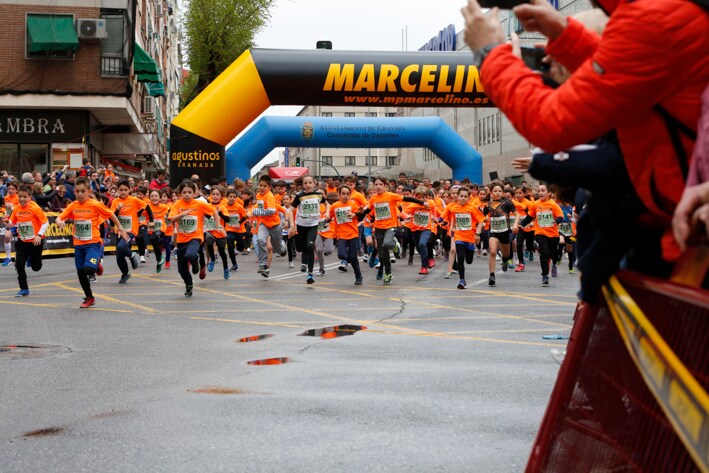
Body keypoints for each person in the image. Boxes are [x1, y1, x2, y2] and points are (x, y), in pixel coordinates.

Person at [461, 0, 709, 268]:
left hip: (679, 232)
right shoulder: (661, 12)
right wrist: (566, 35)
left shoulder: (654, 17)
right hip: (673, 216)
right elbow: (623, 76)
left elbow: (550, 123)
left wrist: (491, 54)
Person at [56, 177, 129, 308]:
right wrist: (59, 222)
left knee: (89, 269)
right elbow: (60, 217)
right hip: (78, 244)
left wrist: (121, 228)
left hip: (93, 243)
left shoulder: (95, 204)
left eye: (82, 191)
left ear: (89, 191)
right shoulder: (73, 205)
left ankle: (96, 266)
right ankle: (89, 297)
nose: (79, 194)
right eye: (77, 191)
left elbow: (111, 215)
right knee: (81, 273)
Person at [360, 177, 427, 285]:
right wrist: (355, 215)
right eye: (376, 184)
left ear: (385, 186)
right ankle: (388, 273)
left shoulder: (391, 196)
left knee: (387, 243)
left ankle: (395, 244)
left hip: (391, 226)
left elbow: (407, 199)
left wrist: (422, 203)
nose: (378, 186)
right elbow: (366, 211)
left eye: (380, 184)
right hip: (378, 228)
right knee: (382, 254)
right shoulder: (373, 199)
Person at [170, 180, 215, 296]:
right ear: (180, 194)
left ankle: (196, 264)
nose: (187, 194)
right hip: (181, 239)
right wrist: (182, 215)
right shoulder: (177, 204)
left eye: (189, 192)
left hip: (196, 236)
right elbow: (172, 219)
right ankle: (189, 284)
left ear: (194, 193)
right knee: (181, 269)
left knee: (191, 254)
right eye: (184, 192)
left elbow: (213, 211)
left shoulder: (199, 204)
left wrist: (219, 224)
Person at [5, 184, 49, 297]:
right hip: (22, 241)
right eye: (20, 196)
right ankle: (24, 288)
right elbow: (13, 223)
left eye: (25, 197)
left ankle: (33, 259)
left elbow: (45, 222)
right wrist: (8, 224)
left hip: (35, 242)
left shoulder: (35, 208)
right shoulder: (16, 208)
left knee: (36, 267)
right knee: (19, 264)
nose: (22, 199)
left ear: (30, 197)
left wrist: (39, 235)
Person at [439, 187, 485, 289]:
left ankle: (470, 251)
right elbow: (445, 216)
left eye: (465, 196)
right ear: (458, 197)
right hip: (458, 235)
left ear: (469, 198)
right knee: (459, 257)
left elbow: (481, 221)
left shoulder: (472, 208)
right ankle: (462, 280)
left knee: (468, 260)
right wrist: (439, 220)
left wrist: (478, 231)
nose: (463, 198)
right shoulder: (454, 208)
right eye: (461, 196)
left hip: (470, 237)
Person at [519, 183, 564, 285]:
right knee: (544, 252)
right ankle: (545, 275)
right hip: (540, 233)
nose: (540, 192)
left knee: (553, 254)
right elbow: (530, 216)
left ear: (549, 193)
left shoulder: (553, 204)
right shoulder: (536, 204)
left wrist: (557, 220)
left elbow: (560, 216)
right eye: (539, 191)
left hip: (553, 234)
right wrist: (522, 225)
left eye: (543, 190)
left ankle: (554, 264)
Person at [111, 180, 152, 284]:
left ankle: (132, 255)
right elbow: (112, 216)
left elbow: (147, 207)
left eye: (125, 190)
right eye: (121, 190)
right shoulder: (115, 201)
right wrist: (118, 210)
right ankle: (125, 274)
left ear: (129, 190)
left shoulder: (134, 200)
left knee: (121, 247)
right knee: (119, 256)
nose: (123, 192)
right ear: (118, 191)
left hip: (131, 230)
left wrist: (151, 221)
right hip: (119, 231)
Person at [289, 175, 327, 284]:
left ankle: (310, 274)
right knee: (301, 248)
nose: (308, 185)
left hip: (313, 225)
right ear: (303, 185)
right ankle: (303, 260)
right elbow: (290, 211)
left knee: (310, 246)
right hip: (301, 225)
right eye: (305, 183)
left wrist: (328, 212)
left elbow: (327, 204)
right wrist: (292, 225)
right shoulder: (299, 196)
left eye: (310, 182)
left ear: (314, 183)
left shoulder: (318, 195)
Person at [483, 181, 519, 286]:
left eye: (500, 191)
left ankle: (504, 259)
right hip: (493, 231)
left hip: (505, 231)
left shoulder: (507, 203)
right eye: (495, 191)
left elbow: (517, 214)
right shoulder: (488, 204)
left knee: (506, 254)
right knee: (493, 251)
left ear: (503, 192)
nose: (497, 193)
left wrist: (515, 225)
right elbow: (483, 216)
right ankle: (492, 275)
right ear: (491, 192)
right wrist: (484, 219)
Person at [329, 185, 364, 285]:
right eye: (343, 194)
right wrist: (326, 220)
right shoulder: (335, 206)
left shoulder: (352, 205)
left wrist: (355, 214)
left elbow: (360, 216)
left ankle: (358, 275)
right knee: (341, 255)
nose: (345, 196)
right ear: (339, 194)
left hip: (352, 234)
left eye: (347, 194)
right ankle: (350, 259)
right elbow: (329, 216)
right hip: (341, 234)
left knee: (353, 258)